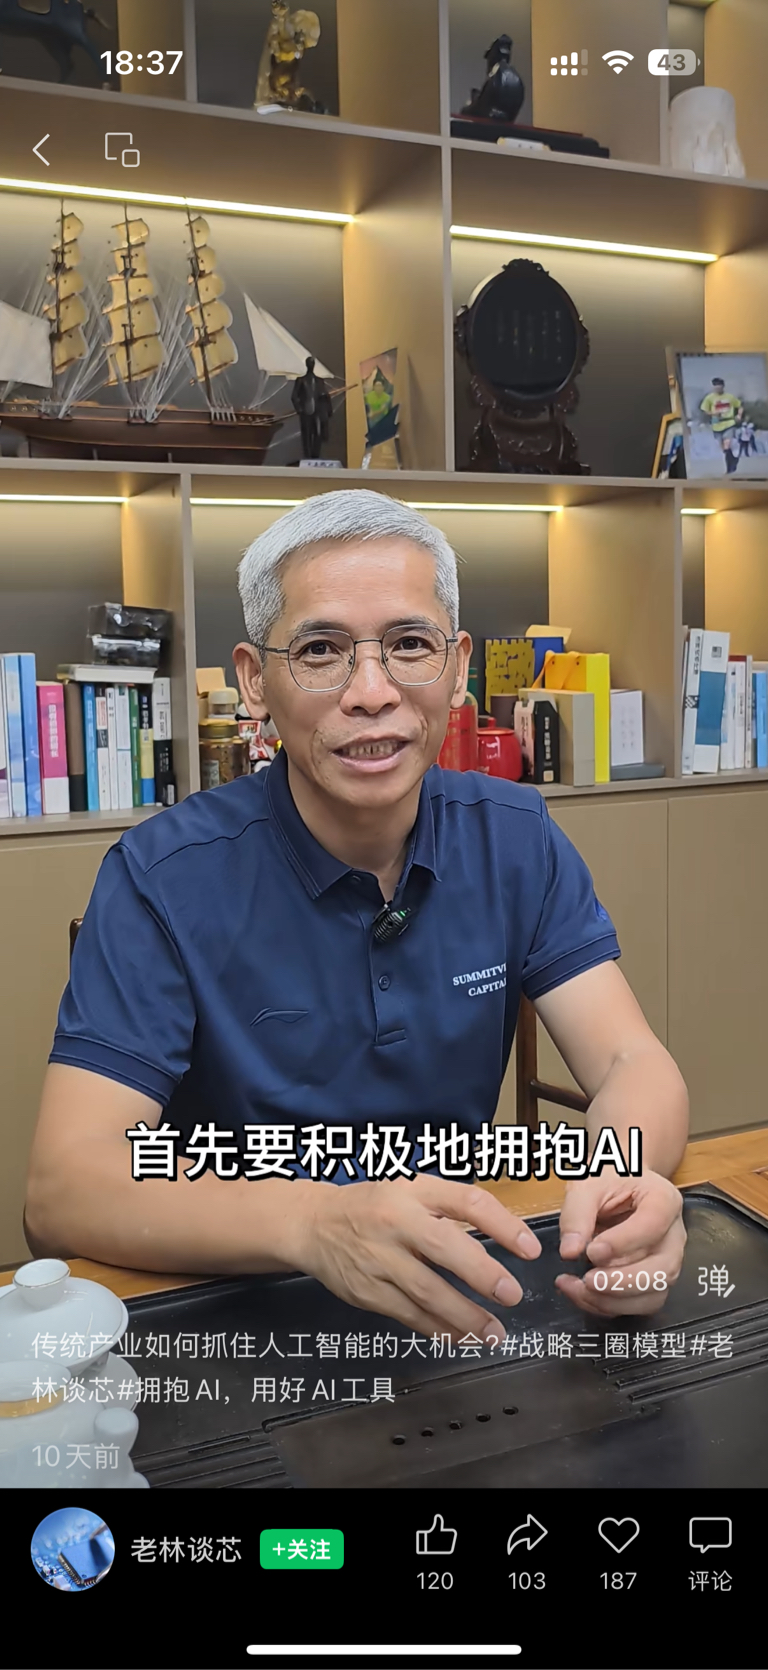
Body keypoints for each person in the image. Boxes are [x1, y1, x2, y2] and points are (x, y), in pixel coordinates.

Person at [25, 490, 689, 1344]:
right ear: (254, 681)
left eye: (409, 645)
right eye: (320, 650)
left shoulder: (515, 837)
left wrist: (629, 1186)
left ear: (457, 666)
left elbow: (635, 1062)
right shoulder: (161, 877)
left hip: (459, 1294)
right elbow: (63, 1187)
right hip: (246, 1308)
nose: (371, 693)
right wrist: (314, 1223)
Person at [699, 377, 744, 474]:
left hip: (729, 423)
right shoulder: (709, 398)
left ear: (723, 386)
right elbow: (704, 410)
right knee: (723, 448)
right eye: (715, 386)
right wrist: (713, 413)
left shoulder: (730, 397)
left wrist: (739, 416)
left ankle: (729, 468)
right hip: (716, 425)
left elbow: (740, 406)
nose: (717, 388)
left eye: (719, 386)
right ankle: (733, 460)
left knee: (727, 445)